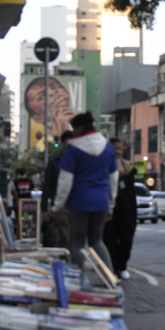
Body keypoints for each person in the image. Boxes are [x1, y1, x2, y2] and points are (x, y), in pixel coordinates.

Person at [50, 111, 117, 271]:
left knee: (77, 242)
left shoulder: (73, 148)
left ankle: (76, 278)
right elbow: (113, 178)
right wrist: (111, 204)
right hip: (101, 201)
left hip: (79, 201)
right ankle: (110, 277)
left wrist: (57, 206)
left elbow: (65, 180)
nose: (73, 133)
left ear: (80, 128)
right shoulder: (108, 147)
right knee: (96, 241)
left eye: (74, 129)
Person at [103, 138, 137, 280]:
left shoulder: (127, 166)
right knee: (109, 238)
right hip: (110, 207)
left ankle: (122, 266)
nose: (118, 151)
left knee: (126, 237)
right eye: (115, 148)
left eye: (120, 148)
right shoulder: (105, 166)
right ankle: (112, 268)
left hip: (127, 209)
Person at [24, 76, 75, 145]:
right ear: (38, 118)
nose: (53, 93)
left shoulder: (83, 125)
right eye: (42, 97)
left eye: (54, 87)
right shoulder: (43, 145)